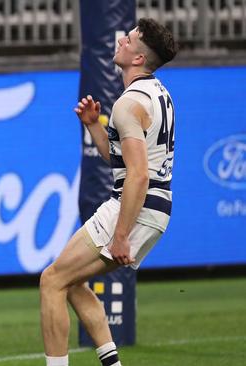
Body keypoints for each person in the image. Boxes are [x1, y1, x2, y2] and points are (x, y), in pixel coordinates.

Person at [40, 18, 178, 366]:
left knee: (51, 281)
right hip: (153, 208)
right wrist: (93, 126)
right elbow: (121, 161)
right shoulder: (158, 93)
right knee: (70, 282)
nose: (121, 41)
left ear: (138, 58)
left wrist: (120, 236)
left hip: (134, 207)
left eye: (129, 40)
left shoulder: (128, 104)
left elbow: (139, 176)